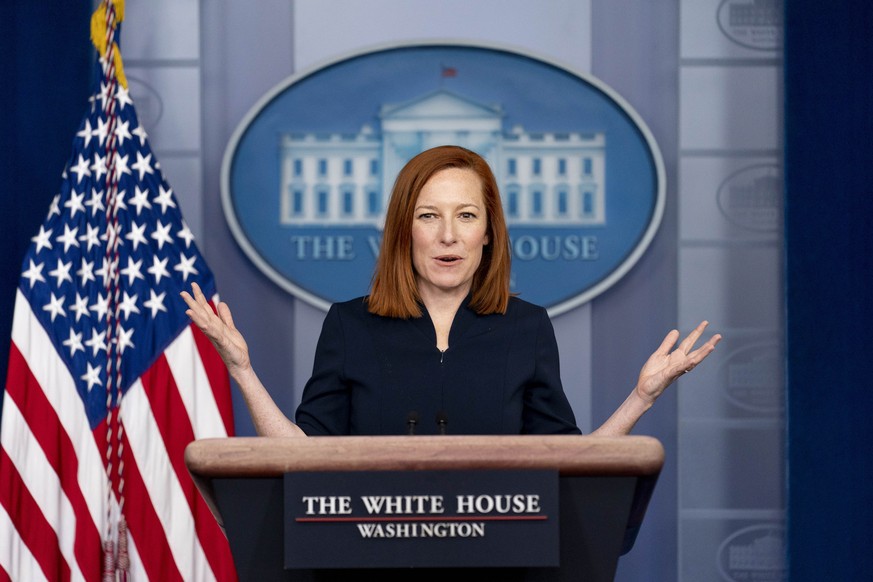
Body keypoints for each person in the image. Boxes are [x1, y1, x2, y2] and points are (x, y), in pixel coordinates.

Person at [182, 145, 720, 438]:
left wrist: (641, 398)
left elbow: (566, 467)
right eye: (428, 216)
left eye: (466, 216)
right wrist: (242, 371)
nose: (448, 236)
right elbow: (300, 457)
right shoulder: (350, 324)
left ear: (488, 233)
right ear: (404, 231)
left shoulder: (525, 326)